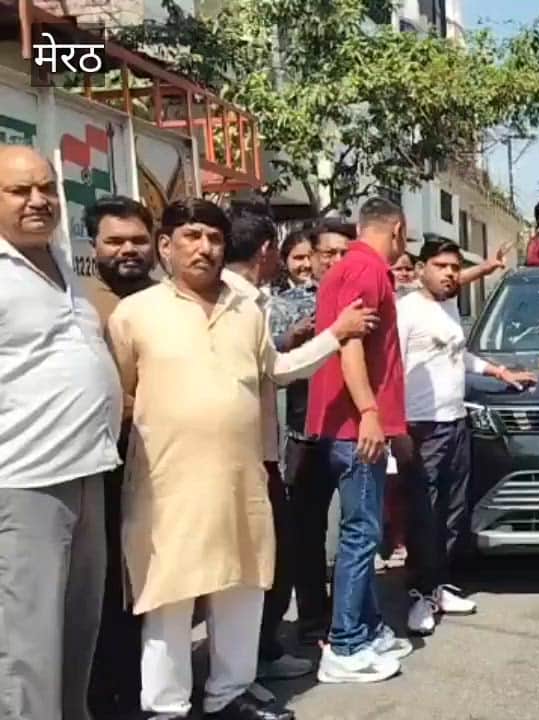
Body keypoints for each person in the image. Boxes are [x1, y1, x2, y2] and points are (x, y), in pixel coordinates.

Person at [107, 199, 372, 720]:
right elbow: (118, 394)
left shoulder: (247, 309)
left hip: (240, 478)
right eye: (191, 236)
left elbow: (278, 369)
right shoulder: (134, 314)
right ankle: (166, 707)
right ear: (166, 246)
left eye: (214, 237)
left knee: (242, 587)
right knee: (168, 597)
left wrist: (335, 335)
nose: (204, 247)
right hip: (166, 483)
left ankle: (230, 693)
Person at [0, 145, 121, 720]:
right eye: (19, 191)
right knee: (27, 648)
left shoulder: (59, 263)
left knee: (79, 632)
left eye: (46, 188)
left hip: (86, 469)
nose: (38, 200)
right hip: (24, 481)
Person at [398, 240, 537, 634]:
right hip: (421, 426)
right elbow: (390, 369)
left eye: (455, 267)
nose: (449, 274)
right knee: (423, 515)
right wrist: (395, 428)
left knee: (452, 513)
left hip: (455, 421)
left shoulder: (448, 305)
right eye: (440, 266)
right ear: (422, 267)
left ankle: (438, 587)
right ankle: (419, 595)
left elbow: (458, 355)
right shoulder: (407, 310)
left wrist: (499, 373)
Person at [307, 198, 415, 684]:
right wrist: (371, 413)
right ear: (397, 228)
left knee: (364, 531)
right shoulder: (364, 269)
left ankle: (366, 630)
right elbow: (349, 346)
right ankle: (345, 644)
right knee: (360, 535)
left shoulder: (354, 268)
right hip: (355, 430)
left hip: (356, 426)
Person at [221, 210, 319, 683]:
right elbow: (275, 369)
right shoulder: (241, 304)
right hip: (253, 454)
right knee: (267, 563)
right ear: (266, 250)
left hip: (253, 450)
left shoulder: (245, 299)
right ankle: (253, 661)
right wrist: (336, 336)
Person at [82, 195, 156, 720]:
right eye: (115, 241)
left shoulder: (167, 301)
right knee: (107, 592)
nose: (128, 250)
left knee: (154, 590)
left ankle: (149, 692)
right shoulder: (82, 304)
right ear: (94, 246)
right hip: (102, 468)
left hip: (161, 469)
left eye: (138, 240)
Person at [267, 218, 353, 646]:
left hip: (353, 430)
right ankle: (313, 620)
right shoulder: (282, 305)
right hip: (304, 434)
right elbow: (271, 359)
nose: (334, 262)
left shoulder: (361, 297)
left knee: (355, 532)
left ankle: (350, 618)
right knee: (306, 533)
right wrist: (293, 337)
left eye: (343, 253)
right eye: (326, 254)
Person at [275, 227, 313, 291]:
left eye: (311, 257)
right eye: (299, 258)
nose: (307, 264)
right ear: (283, 260)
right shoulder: (272, 292)